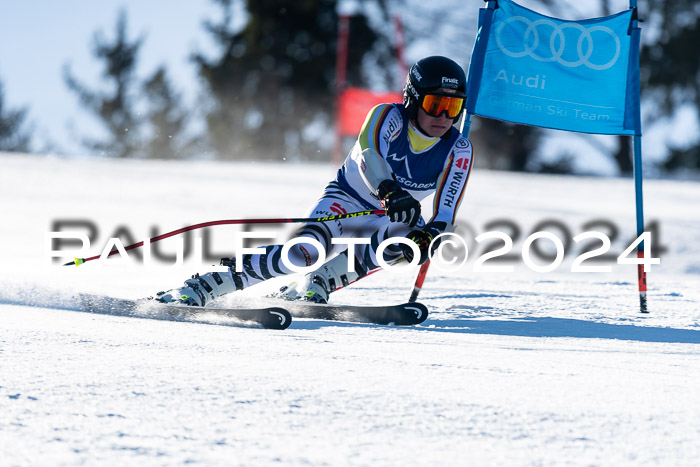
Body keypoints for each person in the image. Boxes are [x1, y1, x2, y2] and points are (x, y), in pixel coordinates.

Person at [156, 55, 474, 306]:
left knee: (409, 244)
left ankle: (322, 280)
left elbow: (446, 214)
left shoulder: (459, 148)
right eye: (435, 105)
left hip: (390, 216)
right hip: (347, 200)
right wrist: (389, 190)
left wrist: (431, 235)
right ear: (413, 99)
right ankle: (209, 283)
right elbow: (369, 155)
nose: (443, 117)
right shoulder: (387, 116)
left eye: (453, 107)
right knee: (304, 253)